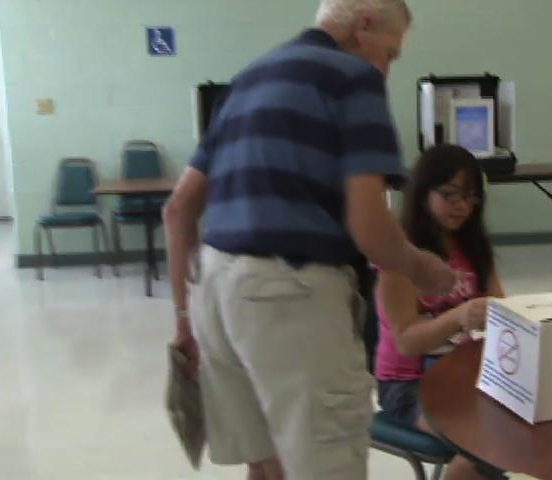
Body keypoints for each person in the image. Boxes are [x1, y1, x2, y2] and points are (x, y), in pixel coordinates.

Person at [161, 1, 459, 479]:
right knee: (328, 465)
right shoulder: (352, 77)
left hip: (215, 293)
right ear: (363, 26)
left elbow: (178, 211)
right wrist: (425, 269)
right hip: (291, 296)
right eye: (390, 54)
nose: (385, 71)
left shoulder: (247, 80)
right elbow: (371, 230)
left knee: (266, 464)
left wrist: (182, 323)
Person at [375, 144, 505, 480]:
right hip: (408, 384)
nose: (462, 205)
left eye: (471, 197)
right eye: (451, 194)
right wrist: (460, 317)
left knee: (525, 423)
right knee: (483, 442)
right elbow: (405, 342)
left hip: (464, 374)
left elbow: (503, 308)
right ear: (422, 193)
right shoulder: (400, 256)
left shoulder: (473, 247)